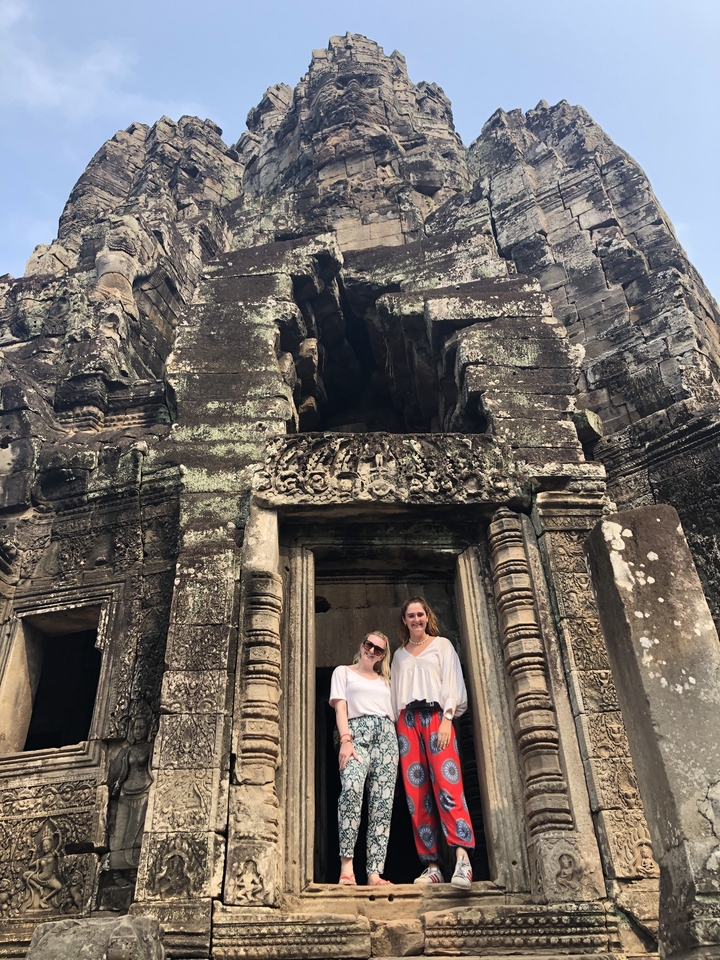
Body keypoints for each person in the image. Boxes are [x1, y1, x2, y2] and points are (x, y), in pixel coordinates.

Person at [391, 597, 474, 888]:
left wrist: (448, 718)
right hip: (406, 722)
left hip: (438, 717)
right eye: (411, 615)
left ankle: (462, 859)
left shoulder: (442, 646)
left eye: (420, 614)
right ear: (404, 620)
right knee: (417, 794)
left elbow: (452, 683)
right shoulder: (399, 656)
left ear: (427, 617)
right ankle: (432, 865)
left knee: (449, 785)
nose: (416, 619)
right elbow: (394, 697)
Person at [329, 631, 399, 886]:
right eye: (369, 644)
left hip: (386, 737)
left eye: (378, 649)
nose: (371, 650)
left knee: (382, 803)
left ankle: (374, 873)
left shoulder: (386, 682)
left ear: (382, 656)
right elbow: (340, 708)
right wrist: (345, 739)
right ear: (361, 645)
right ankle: (347, 867)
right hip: (356, 734)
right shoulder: (343, 672)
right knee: (351, 788)